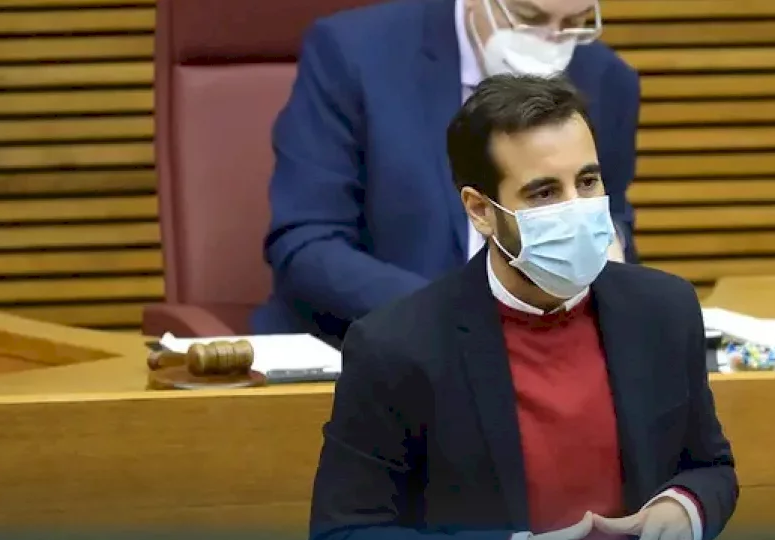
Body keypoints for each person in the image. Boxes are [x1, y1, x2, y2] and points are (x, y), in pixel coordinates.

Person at [307, 74, 737, 540]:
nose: (577, 208)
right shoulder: (397, 346)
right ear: (480, 210)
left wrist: (685, 509)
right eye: (544, 193)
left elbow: (711, 468)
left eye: (587, 182)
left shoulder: (663, 310)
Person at [253, 0, 641, 343]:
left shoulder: (606, 79)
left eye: (574, 22)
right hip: (371, 349)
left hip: (544, 351)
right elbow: (306, 244)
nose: (552, 41)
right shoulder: (354, 53)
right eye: (529, 17)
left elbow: (611, 221)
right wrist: (458, 317)